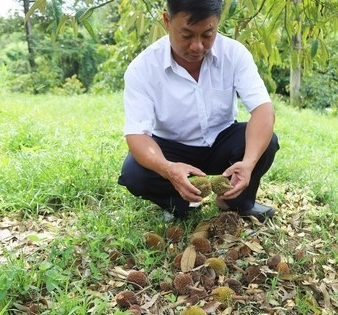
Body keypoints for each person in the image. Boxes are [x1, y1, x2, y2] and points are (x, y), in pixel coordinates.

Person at [118, 0, 279, 222]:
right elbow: (137, 134)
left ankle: (235, 202)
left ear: (218, 22)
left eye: (207, 35)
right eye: (186, 35)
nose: (197, 46)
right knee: (134, 173)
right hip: (171, 149)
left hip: (221, 142)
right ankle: (182, 204)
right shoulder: (142, 68)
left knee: (266, 142)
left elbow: (263, 109)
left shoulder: (234, 54)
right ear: (167, 20)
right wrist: (167, 168)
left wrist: (249, 162)